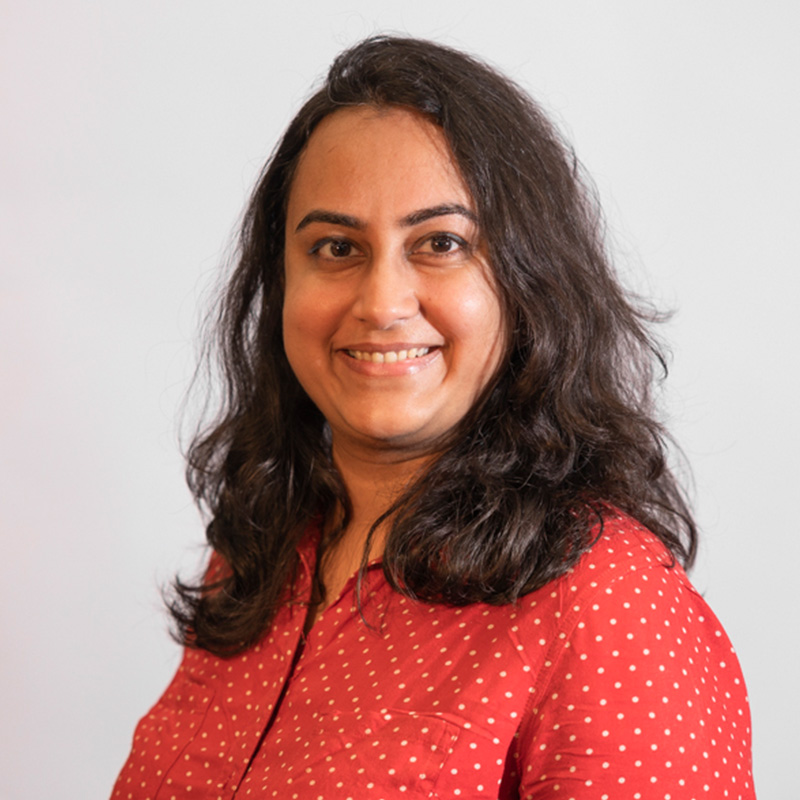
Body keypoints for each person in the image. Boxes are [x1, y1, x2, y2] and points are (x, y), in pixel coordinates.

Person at [111, 36, 755, 799]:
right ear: (280, 281)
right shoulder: (260, 558)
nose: (381, 302)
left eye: (441, 243)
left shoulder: (608, 602)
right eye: (336, 247)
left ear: (528, 281)